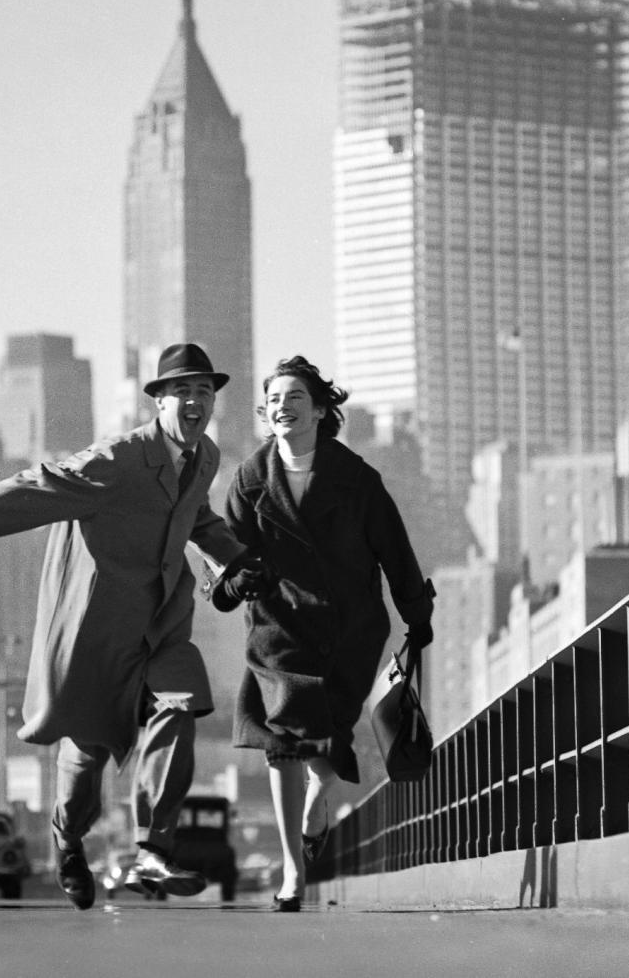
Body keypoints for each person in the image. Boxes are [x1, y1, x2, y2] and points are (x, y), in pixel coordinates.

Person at [0, 342, 255, 910]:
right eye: (183, 391)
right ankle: (68, 839)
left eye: (205, 392)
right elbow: (34, 489)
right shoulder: (117, 459)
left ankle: (153, 851)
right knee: (86, 758)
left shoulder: (205, 457)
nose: (196, 402)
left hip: (163, 626)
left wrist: (235, 556)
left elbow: (197, 517)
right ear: (158, 401)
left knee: (181, 707)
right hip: (98, 631)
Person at [206, 355, 434, 911]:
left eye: (295, 398)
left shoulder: (357, 479)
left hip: (349, 628)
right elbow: (224, 554)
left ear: (321, 409)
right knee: (279, 745)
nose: (282, 408)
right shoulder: (250, 479)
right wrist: (233, 585)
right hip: (278, 628)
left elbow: (394, 551)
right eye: (274, 400)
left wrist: (416, 615)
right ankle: (293, 872)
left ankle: (316, 803)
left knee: (330, 735)